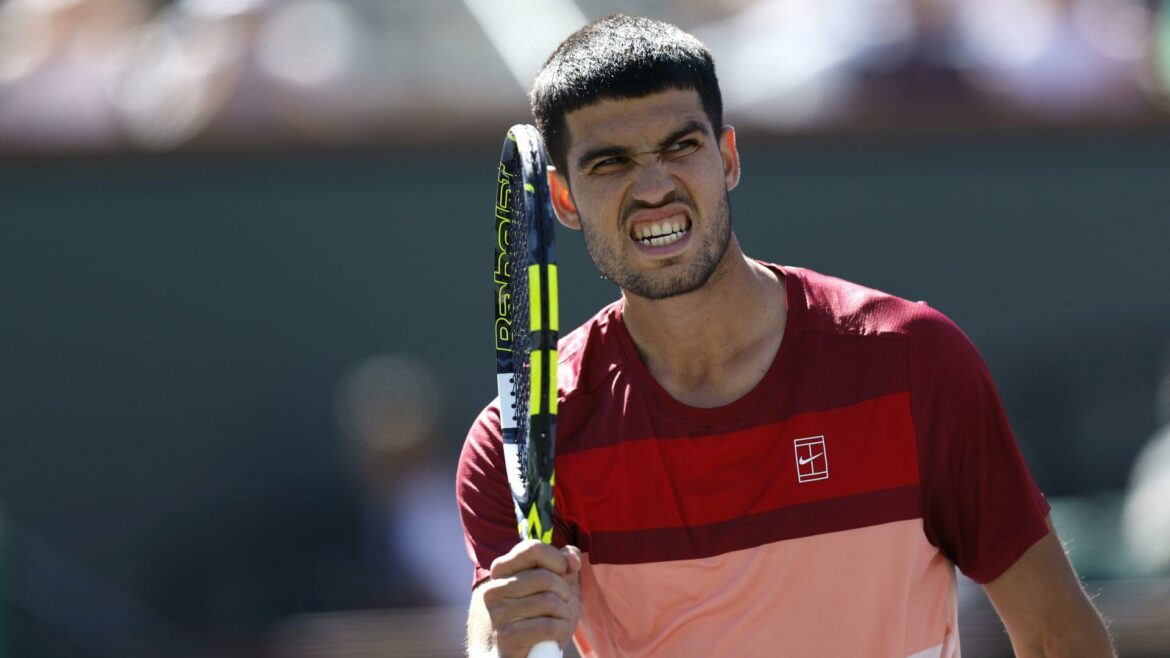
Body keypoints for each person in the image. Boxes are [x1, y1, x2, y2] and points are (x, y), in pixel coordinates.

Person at [456, 14, 1114, 658]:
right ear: (564, 200)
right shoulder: (512, 444)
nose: (654, 187)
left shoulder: (916, 364)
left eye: (681, 146)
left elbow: (1060, 639)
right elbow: (497, 637)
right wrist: (503, 647)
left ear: (728, 157)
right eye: (611, 163)